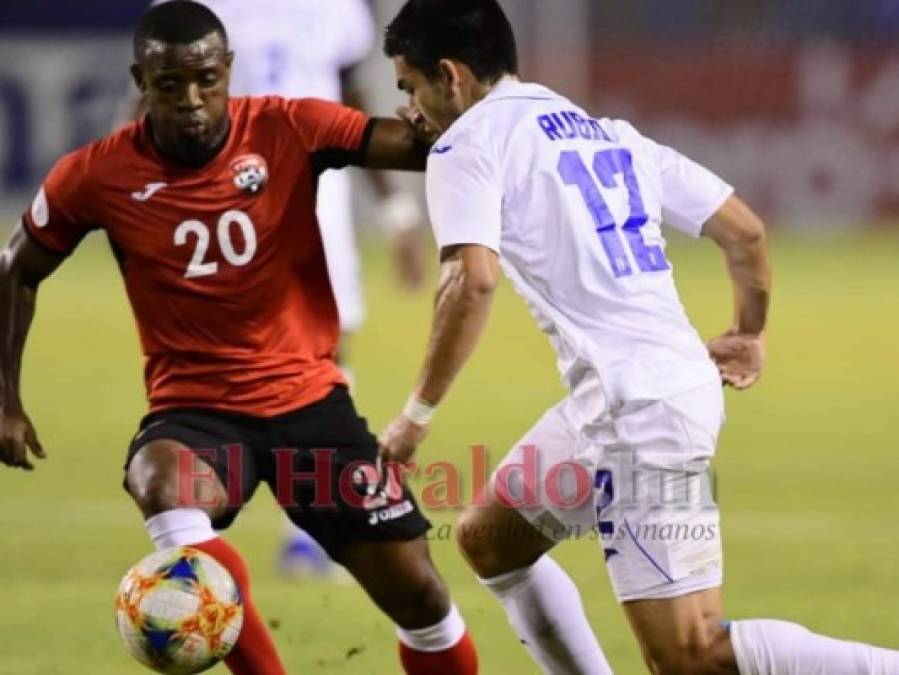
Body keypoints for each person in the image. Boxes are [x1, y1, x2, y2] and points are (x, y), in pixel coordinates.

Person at [378, 1, 899, 674]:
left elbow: (471, 282)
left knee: (691, 653)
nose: (407, 110)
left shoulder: (466, 145)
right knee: (490, 538)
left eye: (407, 87)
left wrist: (416, 415)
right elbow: (744, 232)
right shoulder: (607, 133)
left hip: (639, 416)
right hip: (632, 393)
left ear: (448, 75)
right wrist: (748, 333)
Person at [0, 2, 478, 674]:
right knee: (158, 479)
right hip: (196, 415)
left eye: (206, 81)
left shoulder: (287, 126)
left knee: (422, 596)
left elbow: (414, 148)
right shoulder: (97, 173)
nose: (191, 101)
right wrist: (6, 398)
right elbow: (16, 266)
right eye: (170, 86)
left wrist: (475, 120)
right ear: (142, 80)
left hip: (310, 407)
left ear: (227, 70)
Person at [132, 0, 427, 580]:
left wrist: (394, 208)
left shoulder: (340, 5)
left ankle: (309, 532)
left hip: (318, 189)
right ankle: (194, 512)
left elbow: (350, 97)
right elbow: (156, 94)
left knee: (326, 349)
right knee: (209, 354)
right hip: (221, 193)